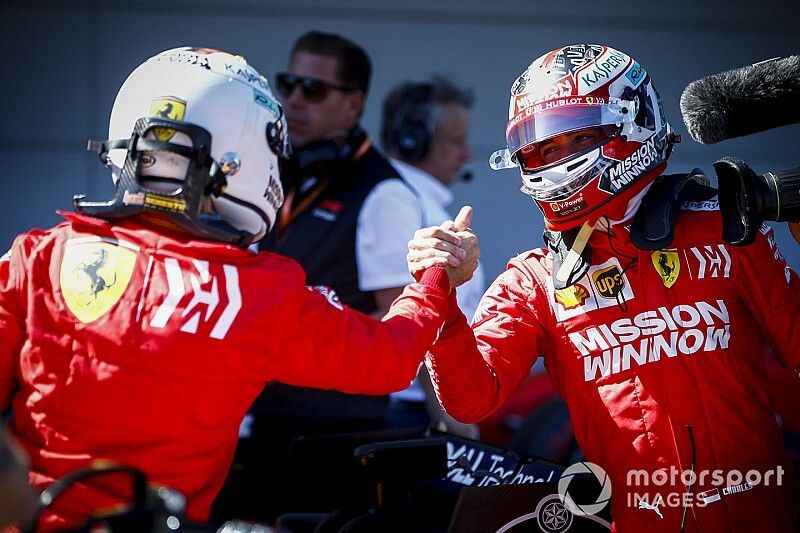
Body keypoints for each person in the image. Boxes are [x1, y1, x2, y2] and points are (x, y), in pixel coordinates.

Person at [0, 46, 478, 532]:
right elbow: (391, 356)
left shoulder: (37, 257)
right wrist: (436, 275)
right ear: (241, 156)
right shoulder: (257, 291)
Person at [407, 44, 800, 532]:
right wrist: (443, 300)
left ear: (632, 123)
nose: (552, 160)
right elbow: (470, 401)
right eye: (539, 148)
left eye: (572, 138)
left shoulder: (727, 228)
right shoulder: (533, 281)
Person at [223, 31, 431, 521]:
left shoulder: (384, 193)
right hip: (261, 418)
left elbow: (402, 320)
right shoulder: (274, 174)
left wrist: (304, 343)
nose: (295, 99)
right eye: (288, 85)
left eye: (313, 90)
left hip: (335, 432)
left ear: (353, 104)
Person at [380, 77, 485, 437]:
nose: (467, 154)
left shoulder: (415, 199)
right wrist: (450, 418)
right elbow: (408, 309)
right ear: (413, 139)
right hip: (412, 410)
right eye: (456, 141)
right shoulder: (394, 198)